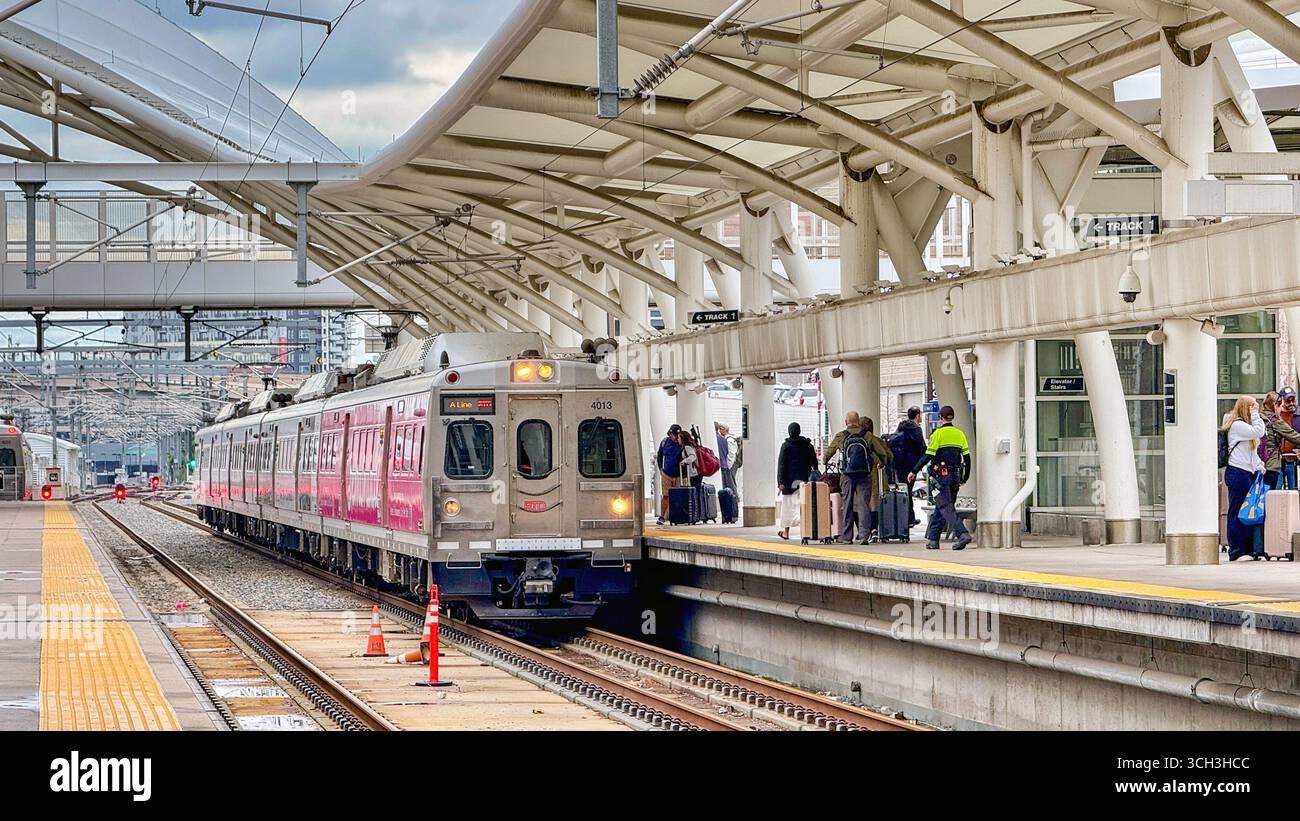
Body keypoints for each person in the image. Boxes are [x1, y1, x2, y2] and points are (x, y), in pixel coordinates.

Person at [907, 405, 973, 550]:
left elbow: (928, 455)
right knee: (942, 507)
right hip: (956, 476)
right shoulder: (960, 434)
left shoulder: (938, 434)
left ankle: (962, 534)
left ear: (940, 417)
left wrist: (914, 471)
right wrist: (965, 477)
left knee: (945, 506)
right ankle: (933, 539)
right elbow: (967, 458)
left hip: (941, 477)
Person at [1223, 395, 1266, 561]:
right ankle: (1236, 550)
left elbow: (1251, 453)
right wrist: (1255, 414)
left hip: (1247, 472)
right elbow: (1259, 431)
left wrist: (1259, 465)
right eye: (1253, 406)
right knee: (1236, 511)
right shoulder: (1237, 425)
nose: (1256, 409)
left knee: (1247, 512)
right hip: (1237, 472)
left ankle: (1248, 549)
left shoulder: (1244, 427)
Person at [776, 422, 817, 539]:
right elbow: (814, 464)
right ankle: (805, 532)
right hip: (805, 482)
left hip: (789, 483)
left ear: (789, 432)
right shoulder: (808, 446)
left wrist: (780, 482)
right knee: (804, 506)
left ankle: (786, 532)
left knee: (788, 508)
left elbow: (782, 465)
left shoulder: (786, 446)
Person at [860, 418, 894, 541]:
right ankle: (876, 530)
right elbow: (888, 456)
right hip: (876, 474)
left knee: (862, 503)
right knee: (876, 502)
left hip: (860, 474)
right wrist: (883, 463)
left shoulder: (855, 440)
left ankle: (863, 531)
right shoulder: (877, 440)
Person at [893, 407, 928, 526]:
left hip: (899, 464)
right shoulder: (916, 429)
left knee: (904, 490)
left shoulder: (900, 427)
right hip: (911, 465)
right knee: (908, 490)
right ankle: (908, 518)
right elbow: (922, 448)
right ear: (917, 416)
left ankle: (906, 517)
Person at [1260, 391, 1300, 489]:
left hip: (1258, 464)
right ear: (1275, 405)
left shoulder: (1259, 417)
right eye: (1280, 405)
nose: (1281, 409)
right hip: (1271, 464)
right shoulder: (1275, 421)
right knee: (1270, 496)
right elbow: (1294, 436)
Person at [654, 424, 683, 525]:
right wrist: (661, 468)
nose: (675, 437)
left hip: (679, 475)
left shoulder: (682, 443)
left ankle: (675, 516)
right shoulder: (665, 442)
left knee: (678, 496)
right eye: (674, 435)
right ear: (670, 434)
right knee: (666, 496)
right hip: (667, 473)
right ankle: (662, 516)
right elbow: (659, 456)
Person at [716, 422, 739, 498]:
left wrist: (728, 465)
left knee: (730, 483)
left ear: (724, 429)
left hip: (730, 465)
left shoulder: (729, 439)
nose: (719, 431)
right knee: (729, 483)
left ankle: (735, 499)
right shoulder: (726, 439)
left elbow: (731, 454)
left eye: (720, 429)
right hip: (728, 464)